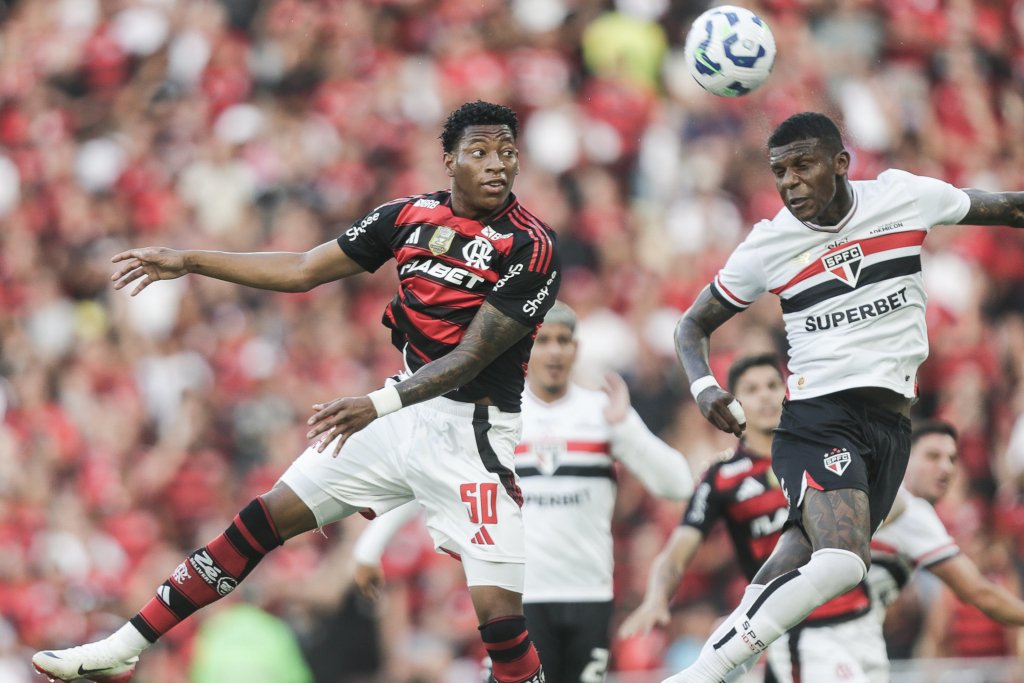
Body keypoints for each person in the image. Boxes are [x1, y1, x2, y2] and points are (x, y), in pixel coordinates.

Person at [32, 100, 560, 683]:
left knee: (500, 624)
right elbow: (305, 268)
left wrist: (375, 405)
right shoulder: (407, 216)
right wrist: (190, 260)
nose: (497, 166)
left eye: (507, 153)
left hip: (473, 439)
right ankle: (125, 643)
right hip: (398, 417)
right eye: (480, 152)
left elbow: (469, 359)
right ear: (448, 161)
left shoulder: (532, 246)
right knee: (262, 519)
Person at [667, 111, 1024, 683]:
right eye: (779, 172)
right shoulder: (769, 245)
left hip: (891, 427)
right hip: (818, 417)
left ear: (841, 163)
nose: (789, 183)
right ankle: (701, 675)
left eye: (802, 166)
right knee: (840, 562)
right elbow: (691, 326)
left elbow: (1009, 207)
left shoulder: (903, 198)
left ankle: (720, 669)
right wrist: (704, 385)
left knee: (796, 555)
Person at [351, 300, 694, 682]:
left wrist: (626, 428)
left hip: (589, 596)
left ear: (575, 349)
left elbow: (678, 485)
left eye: (563, 340)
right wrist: (369, 548)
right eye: (543, 340)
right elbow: (425, 480)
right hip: (518, 600)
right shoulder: (496, 414)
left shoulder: (604, 412)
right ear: (526, 345)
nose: (554, 351)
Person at [768, 419, 1024, 683]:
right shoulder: (896, 503)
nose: (945, 467)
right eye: (932, 456)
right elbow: (980, 593)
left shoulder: (899, 504)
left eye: (952, 459)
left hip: (860, 636)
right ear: (906, 457)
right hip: (821, 635)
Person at [618, 354, 789, 681]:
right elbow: (676, 552)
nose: (765, 395)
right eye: (752, 389)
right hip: (770, 620)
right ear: (735, 404)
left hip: (839, 609)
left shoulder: (818, 455)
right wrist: (656, 599)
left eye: (772, 385)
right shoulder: (722, 477)